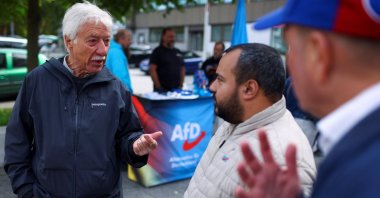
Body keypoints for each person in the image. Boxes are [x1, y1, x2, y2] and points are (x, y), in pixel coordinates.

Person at [4, 2, 162, 197]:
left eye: (106, 41)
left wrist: (134, 146)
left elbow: (128, 135)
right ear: (69, 41)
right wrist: (27, 191)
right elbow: (16, 144)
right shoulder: (37, 82)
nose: (103, 50)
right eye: (93, 41)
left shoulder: (115, 88)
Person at [235, 0, 380, 198]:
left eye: (290, 48)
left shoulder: (363, 170)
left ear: (318, 54)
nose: (290, 63)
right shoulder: (361, 149)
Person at [184, 43, 316, 198]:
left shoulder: (281, 158)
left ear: (249, 89)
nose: (212, 87)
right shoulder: (237, 117)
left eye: (220, 79)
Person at [149, 27, 185, 92]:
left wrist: (181, 85)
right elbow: (152, 70)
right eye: (170, 37)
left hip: (177, 90)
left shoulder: (178, 52)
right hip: (162, 90)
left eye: (174, 37)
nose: (173, 39)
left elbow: (182, 69)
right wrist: (158, 87)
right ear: (163, 37)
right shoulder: (157, 52)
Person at [106, 29, 134, 93]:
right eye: (128, 39)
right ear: (121, 39)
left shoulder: (112, 50)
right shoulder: (116, 53)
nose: (130, 42)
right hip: (120, 95)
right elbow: (120, 77)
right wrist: (129, 93)